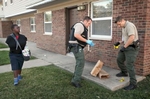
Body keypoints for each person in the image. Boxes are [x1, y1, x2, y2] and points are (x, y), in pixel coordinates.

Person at [68, 16, 94, 88]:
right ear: (85, 21)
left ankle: (77, 76)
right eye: (88, 23)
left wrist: (87, 42)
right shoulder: (80, 25)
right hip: (75, 46)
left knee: (79, 62)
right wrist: (87, 41)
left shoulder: (82, 26)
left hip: (77, 46)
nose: (89, 25)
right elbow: (76, 35)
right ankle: (75, 81)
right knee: (81, 62)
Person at [114, 16, 139, 90]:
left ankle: (133, 84)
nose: (119, 26)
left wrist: (124, 47)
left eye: (119, 24)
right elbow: (125, 38)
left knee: (129, 64)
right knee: (119, 59)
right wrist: (119, 42)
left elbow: (131, 38)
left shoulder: (129, 26)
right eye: (117, 25)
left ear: (122, 21)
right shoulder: (123, 27)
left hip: (132, 48)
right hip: (126, 46)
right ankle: (124, 72)